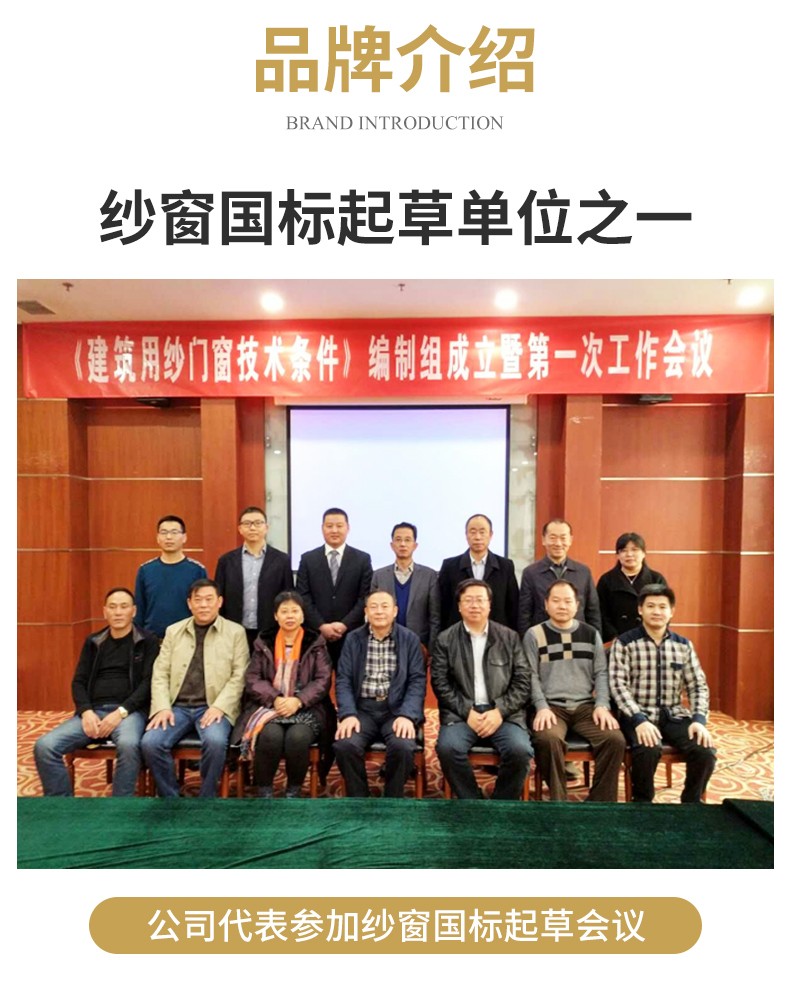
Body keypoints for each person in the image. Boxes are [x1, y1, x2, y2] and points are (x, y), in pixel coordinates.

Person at [34, 587, 159, 796]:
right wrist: (86, 711)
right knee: (44, 746)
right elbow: (78, 681)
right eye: (112, 607)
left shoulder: (147, 641)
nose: (118, 612)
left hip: (129, 712)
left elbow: (148, 684)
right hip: (93, 711)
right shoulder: (94, 641)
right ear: (104, 612)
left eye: (124, 607)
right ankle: (61, 804)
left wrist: (120, 712)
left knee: (129, 745)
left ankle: (120, 806)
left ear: (134, 611)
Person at [142, 578, 249, 797]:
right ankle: (172, 798)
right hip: (176, 708)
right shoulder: (174, 631)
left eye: (209, 599)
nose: (203, 605)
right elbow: (160, 673)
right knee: (150, 743)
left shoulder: (235, 632)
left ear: (219, 602)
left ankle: (206, 798)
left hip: (213, 706)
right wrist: (162, 707)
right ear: (189, 603)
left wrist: (220, 707)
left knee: (215, 742)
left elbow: (240, 676)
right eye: (198, 600)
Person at [609, 583, 716, 803]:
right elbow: (618, 686)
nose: (656, 611)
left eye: (662, 607)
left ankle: (691, 803)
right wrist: (639, 720)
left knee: (705, 750)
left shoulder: (683, 645)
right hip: (637, 714)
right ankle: (643, 803)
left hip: (674, 715)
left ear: (671, 611)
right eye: (650, 606)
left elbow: (697, 686)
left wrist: (699, 720)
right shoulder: (625, 643)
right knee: (647, 749)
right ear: (640, 610)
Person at [524, 580, 625, 801]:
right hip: (551, 708)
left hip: (585, 707)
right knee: (548, 739)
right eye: (556, 600)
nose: (562, 606)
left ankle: (599, 803)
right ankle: (559, 802)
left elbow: (601, 672)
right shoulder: (534, 634)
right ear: (546, 604)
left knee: (614, 739)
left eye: (568, 601)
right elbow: (530, 675)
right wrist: (541, 706)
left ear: (577, 605)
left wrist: (602, 705)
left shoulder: (590, 633)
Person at [432, 579, 532, 799]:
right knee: (448, 749)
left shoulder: (509, 637)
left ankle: (501, 804)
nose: (474, 605)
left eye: (480, 600)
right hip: (461, 714)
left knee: (520, 750)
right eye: (468, 600)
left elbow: (523, 681)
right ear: (459, 606)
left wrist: (500, 711)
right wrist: (467, 711)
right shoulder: (445, 639)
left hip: (504, 715)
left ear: (489, 605)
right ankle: (473, 801)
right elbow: (440, 683)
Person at [232, 591, 334, 798]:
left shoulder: (315, 642)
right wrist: (276, 698)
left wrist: (298, 700)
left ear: (302, 616)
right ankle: (264, 791)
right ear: (276, 616)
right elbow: (253, 678)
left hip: (307, 707)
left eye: (295, 611)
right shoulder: (264, 641)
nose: (290, 616)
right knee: (271, 736)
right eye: (284, 611)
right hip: (270, 706)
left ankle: (293, 791)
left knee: (297, 738)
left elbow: (322, 680)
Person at [334, 590, 426, 797]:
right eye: (373, 607)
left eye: (385, 606)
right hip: (362, 710)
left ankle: (392, 798)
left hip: (396, 710)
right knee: (345, 745)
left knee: (403, 746)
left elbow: (417, 681)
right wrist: (348, 714)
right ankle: (360, 798)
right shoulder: (353, 639)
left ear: (395, 611)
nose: (379, 611)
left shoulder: (409, 639)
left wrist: (407, 715)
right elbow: (343, 679)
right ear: (366, 611)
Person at [296, 508, 373, 665]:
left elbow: (365, 597)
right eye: (329, 526)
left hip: (351, 634)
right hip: (315, 635)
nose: (334, 530)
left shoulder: (362, 559)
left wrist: (344, 625)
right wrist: (321, 625)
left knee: (350, 678)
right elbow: (303, 596)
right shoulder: (308, 559)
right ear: (322, 528)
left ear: (348, 528)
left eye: (339, 526)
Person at [214, 505, 295, 652]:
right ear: (240, 529)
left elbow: (287, 596)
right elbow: (218, 597)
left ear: (266, 527)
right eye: (247, 524)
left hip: (270, 631)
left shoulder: (281, 560)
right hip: (234, 631)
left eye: (258, 523)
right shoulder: (226, 561)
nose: (252, 528)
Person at [518, 518, 602, 637]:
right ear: (543, 540)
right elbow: (524, 614)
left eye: (563, 538)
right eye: (553, 538)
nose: (558, 543)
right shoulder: (531, 573)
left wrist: (596, 640)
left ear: (570, 540)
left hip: (578, 638)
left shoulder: (583, 572)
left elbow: (593, 612)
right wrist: (526, 641)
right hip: (543, 638)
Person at [438, 513, 519, 631]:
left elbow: (513, 606)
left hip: (496, 634)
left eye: (482, 532)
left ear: (490, 535)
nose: (477, 537)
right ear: (466, 535)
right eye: (473, 532)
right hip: (458, 634)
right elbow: (442, 606)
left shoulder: (505, 566)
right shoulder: (450, 566)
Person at [370, 522, 440, 654]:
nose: (402, 544)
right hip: (385, 646)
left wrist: (431, 650)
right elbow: (371, 614)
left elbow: (434, 618)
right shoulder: (379, 576)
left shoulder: (429, 576)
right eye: (398, 540)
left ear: (415, 545)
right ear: (392, 545)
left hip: (419, 646)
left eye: (407, 540)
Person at [134, 514, 207, 639]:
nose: (169, 537)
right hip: (152, 639)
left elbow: (203, 607)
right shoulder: (145, 570)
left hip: (187, 638)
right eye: (164, 532)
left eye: (174, 532)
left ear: (184, 537)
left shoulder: (197, 570)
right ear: (157, 538)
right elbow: (139, 609)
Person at [596, 532, 667, 642]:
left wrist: (656, 634)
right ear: (617, 555)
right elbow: (601, 613)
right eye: (623, 550)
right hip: (617, 640)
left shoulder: (656, 579)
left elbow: (663, 609)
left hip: (648, 638)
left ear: (643, 553)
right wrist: (613, 637)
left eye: (634, 550)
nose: (629, 554)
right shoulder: (607, 580)